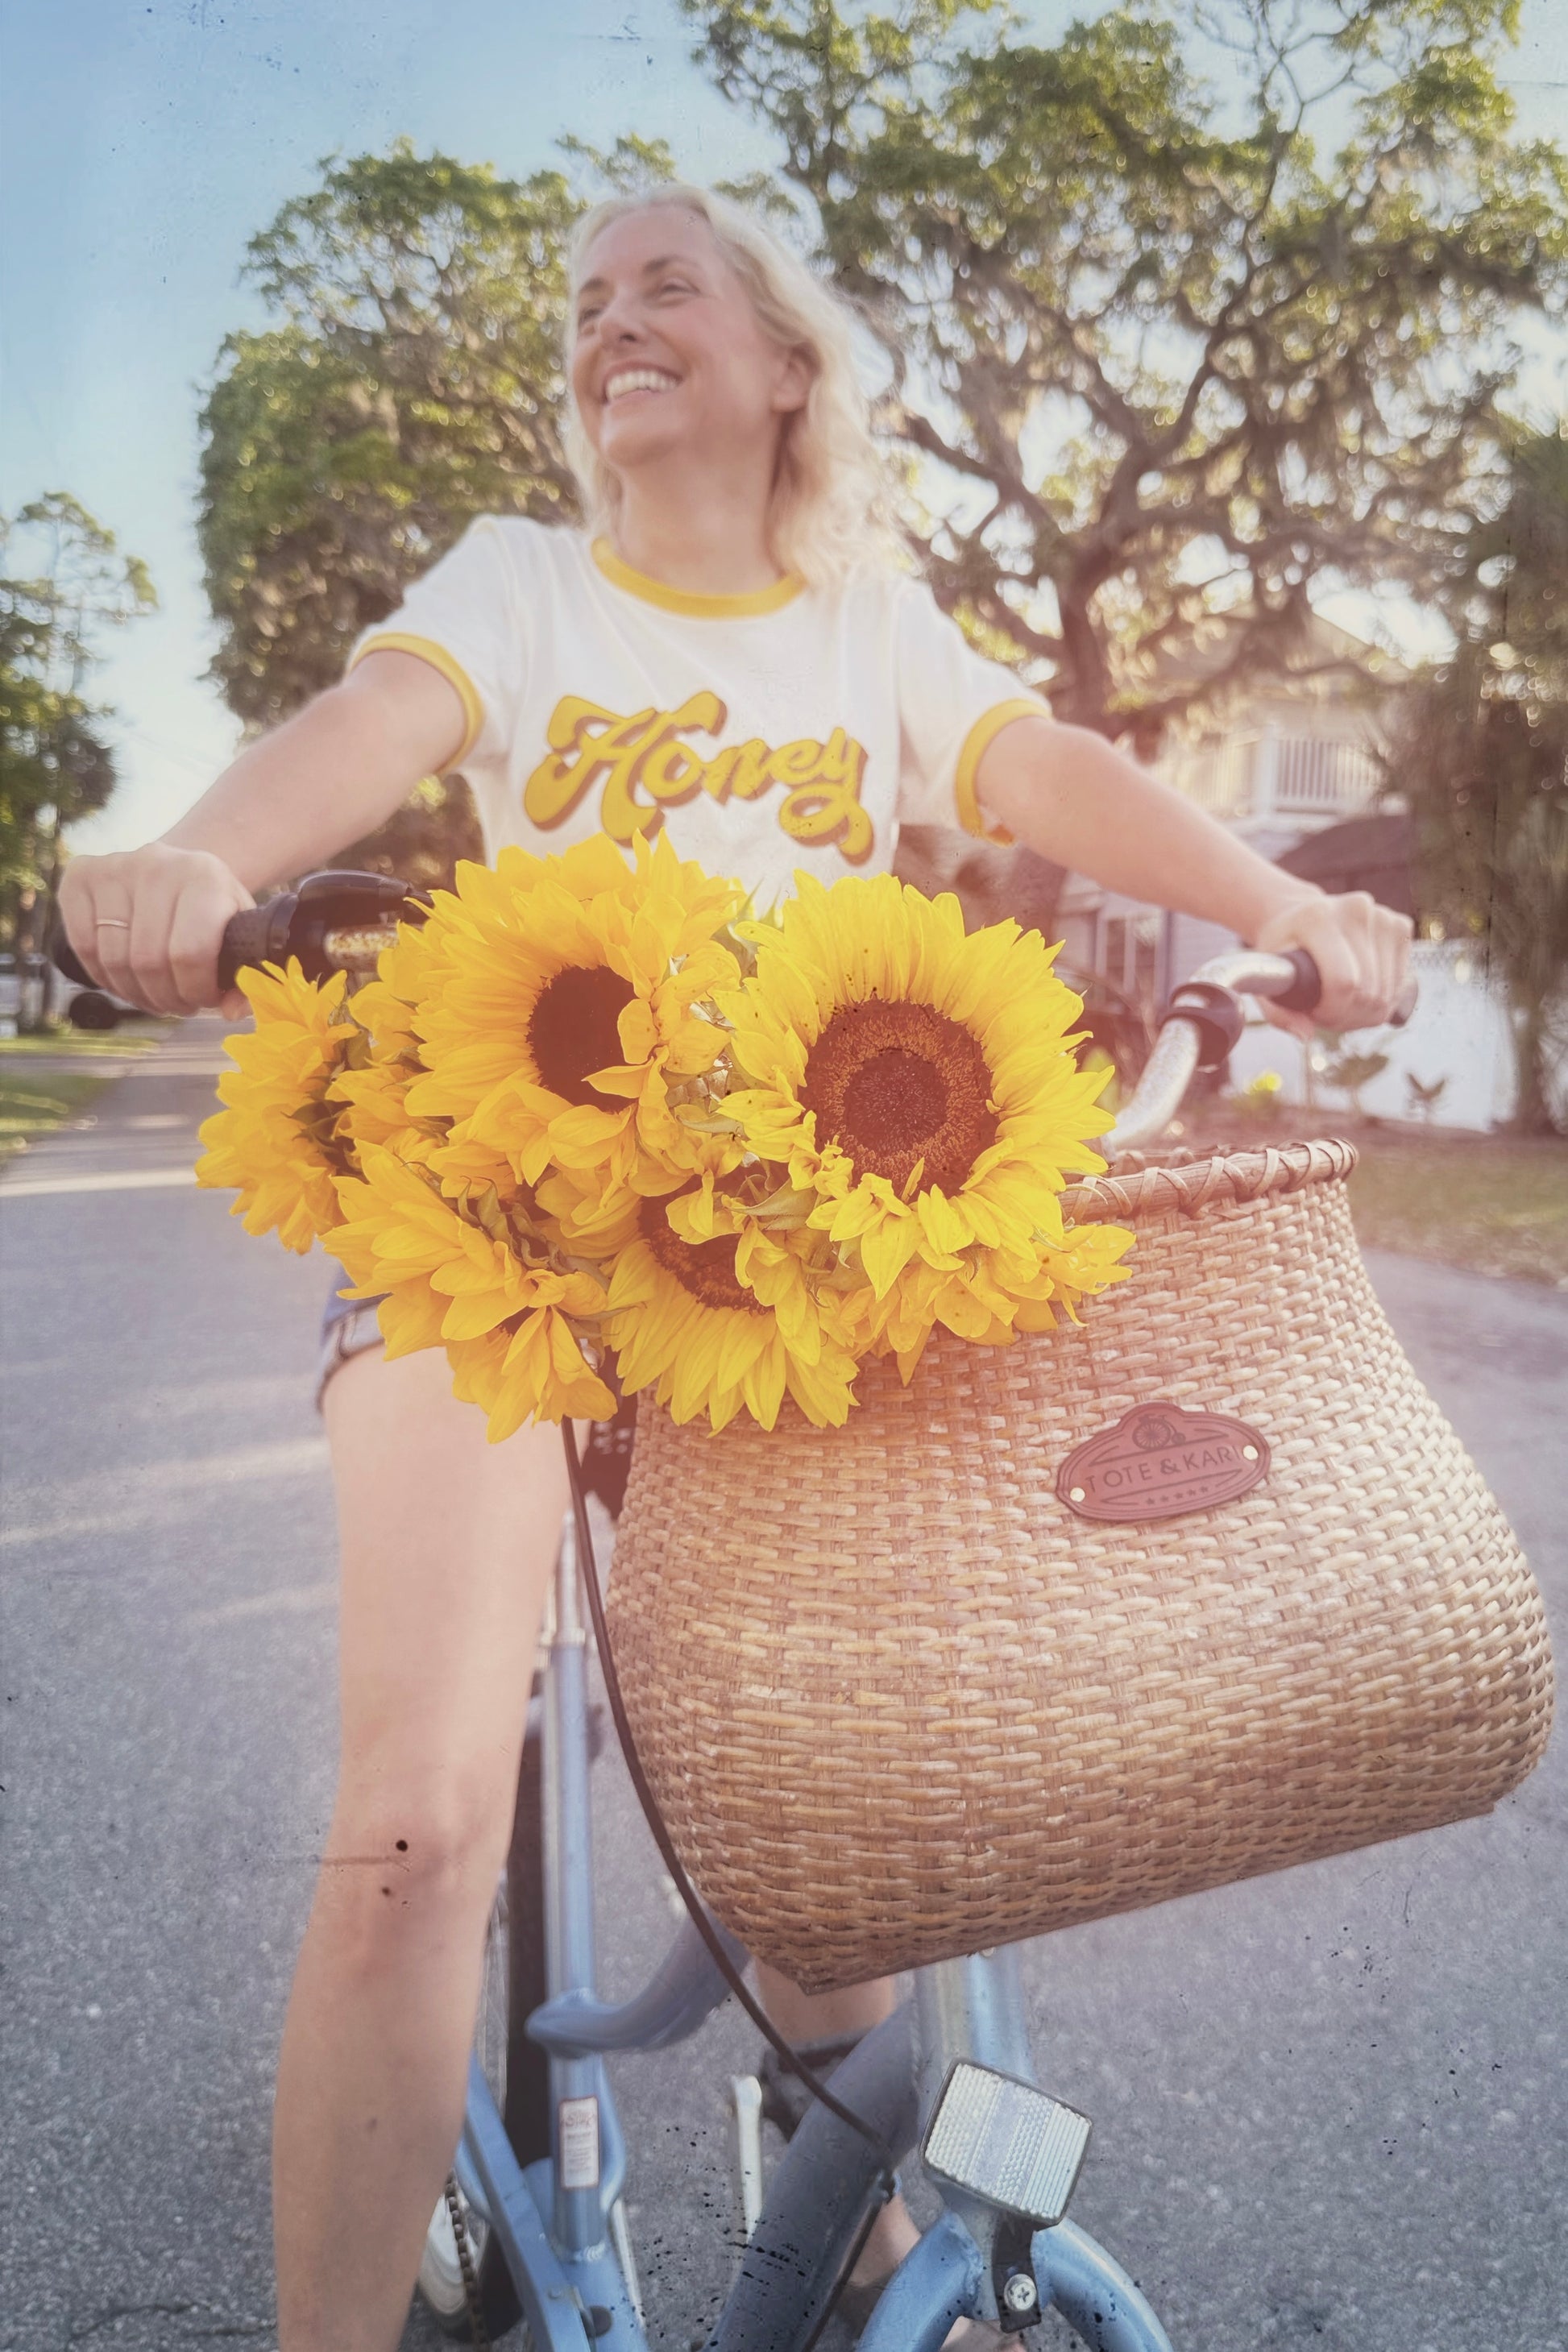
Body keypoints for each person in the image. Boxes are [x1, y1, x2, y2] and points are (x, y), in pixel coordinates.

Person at [61, 185, 1413, 2352]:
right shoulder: (514, 591)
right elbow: (363, 735)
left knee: (846, 1802)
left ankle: (847, 2196)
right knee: (417, 1831)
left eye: (665, 285)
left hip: (786, 1265)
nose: (614, 321)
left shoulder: (866, 625)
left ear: (788, 363)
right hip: (489, 1231)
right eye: (590, 304)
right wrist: (205, 860)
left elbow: (1042, 770)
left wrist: (1290, 911)